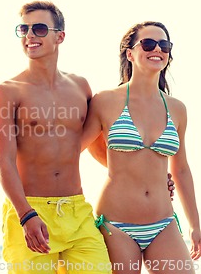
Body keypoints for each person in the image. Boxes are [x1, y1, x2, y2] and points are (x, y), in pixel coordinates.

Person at [0, 0, 111, 273]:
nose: (30, 36)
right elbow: (3, 162)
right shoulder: (7, 92)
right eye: (24, 29)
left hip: (77, 212)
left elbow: (94, 146)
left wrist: (141, 175)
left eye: (40, 29)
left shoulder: (80, 86)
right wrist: (25, 214)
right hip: (30, 209)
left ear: (60, 36)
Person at [82, 21, 201, 273]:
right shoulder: (105, 101)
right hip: (116, 224)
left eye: (164, 44)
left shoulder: (177, 108)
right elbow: (76, 150)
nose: (157, 49)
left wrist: (195, 224)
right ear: (130, 53)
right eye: (148, 43)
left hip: (163, 222)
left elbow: (181, 170)